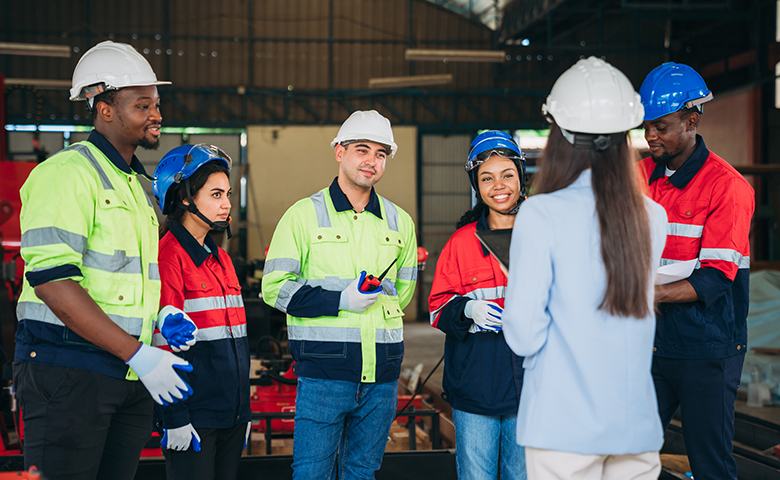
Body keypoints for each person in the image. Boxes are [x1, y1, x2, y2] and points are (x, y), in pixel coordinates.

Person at [13, 41, 193, 480]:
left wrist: (158, 316)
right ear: (105, 108)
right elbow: (53, 283)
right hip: (68, 372)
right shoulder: (67, 174)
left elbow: (122, 279)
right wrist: (138, 353)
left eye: (157, 103)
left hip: (127, 372)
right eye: (143, 105)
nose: (156, 114)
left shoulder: (135, 185)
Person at [502, 57, 668, 479]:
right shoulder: (652, 216)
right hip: (635, 429)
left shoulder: (541, 215)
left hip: (563, 429)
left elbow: (522, 334)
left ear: (560, 135)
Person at [261, 110, 417, 480]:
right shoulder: (302, 216)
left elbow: (403, 294)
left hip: (381, 376)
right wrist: (339, 302)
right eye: (362, 149)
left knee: (361, 472)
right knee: (312, 474)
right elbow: (274, 287)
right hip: (324, 374)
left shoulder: (400, 222)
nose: (371, 161)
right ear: (339, 152)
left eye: (380, 153)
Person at [638, 62, 755, 480]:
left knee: (710, 464)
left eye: (662, 127)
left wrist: (645, 294)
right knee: (629, 451)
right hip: (650, 343)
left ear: (691, 120)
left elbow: (715, 278)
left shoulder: (728, 187)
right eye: (647, 126)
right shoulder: (639, 176)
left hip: (708, 346)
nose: (651, 136)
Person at [428, 130, 527, 480]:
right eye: (487, 178)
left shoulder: (544, 233)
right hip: (475, 388)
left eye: (507, 175)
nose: (498, 185)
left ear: (520, 177)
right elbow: (438, 308)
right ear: (476, 185)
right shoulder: (461, 243)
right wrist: (467, 310)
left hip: (531, 388)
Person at [151, 144, 251, 480]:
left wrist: (243, 411)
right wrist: (174, 416)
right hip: (195, 417)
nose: (226, 204)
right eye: (216, 194)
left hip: (231, 414)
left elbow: (234, 339)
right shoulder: (168, 256)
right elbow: (160, 346)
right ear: (184, 198)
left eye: (228, 194)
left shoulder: (220, 258)